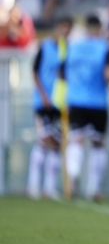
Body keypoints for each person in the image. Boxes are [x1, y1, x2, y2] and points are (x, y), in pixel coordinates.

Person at [63, 16, 109, 201]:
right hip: (98, 101)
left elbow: (62, 73)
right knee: (98, 144)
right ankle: (94, 188)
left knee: (76, 140)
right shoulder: (105, 48)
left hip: (76, 100)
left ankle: (73, 177)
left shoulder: (73, 47)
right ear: (100, 28)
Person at [27, 17, 72, 200]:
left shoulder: (66, 49)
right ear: (57, 27)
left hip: (58, 103)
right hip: (42, 102)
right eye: (63, 28)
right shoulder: (44, 47)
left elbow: (65, 75)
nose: (65, 32)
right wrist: (44, 95)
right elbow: (35, 72)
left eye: (68, 29)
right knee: (44, 140)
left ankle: (49, 187)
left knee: (56, 144)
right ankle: (33, 185)